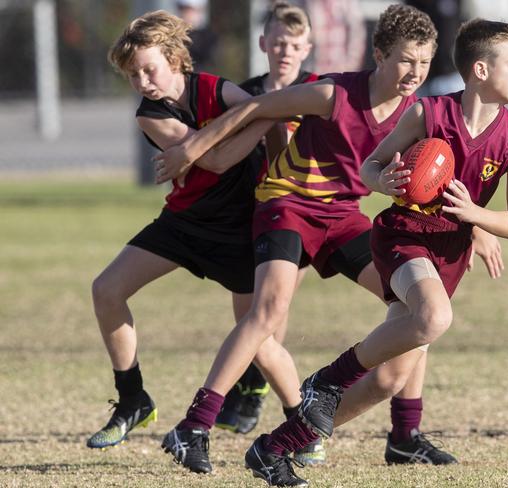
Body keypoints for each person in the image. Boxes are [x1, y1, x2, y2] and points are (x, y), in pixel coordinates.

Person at [153, 5, 462, 482]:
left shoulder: (413, 113)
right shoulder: (334, 92)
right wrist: (190, 151)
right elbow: (256, 106)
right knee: (269, 313)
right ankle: (194, 426)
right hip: (288, 205)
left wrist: (475, 230)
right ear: (379, 54)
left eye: (423, 62)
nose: (415, 72)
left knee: (417, 304)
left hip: (343, 217)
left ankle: (404, 436)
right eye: (405, 60)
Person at [243, 17, 508, 486]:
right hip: (403, 236)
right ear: (480, 70)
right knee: (435, 318)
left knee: (387, 380)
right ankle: (327, 380)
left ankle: (275, 447)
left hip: (449, 252)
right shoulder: (428, 115)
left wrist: (476, 216)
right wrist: (388, 180)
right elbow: (370, 168)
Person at [86, 11, 300, 463]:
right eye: (132, 75)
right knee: (106, 289)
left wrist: (265, 133)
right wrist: (257, 117)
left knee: (257, 340)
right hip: (185, 224)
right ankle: (132, 399)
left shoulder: (215, 88)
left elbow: (277, 120)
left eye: (149, 69)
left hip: (241, 227)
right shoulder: (150, 115)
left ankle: (302, 422)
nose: (143, 81)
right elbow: (218, 159)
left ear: (174, 58)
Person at [213, 2, 324, 466]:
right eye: (277, 42)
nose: (284, 51)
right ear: (263, 44)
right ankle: (268, 392)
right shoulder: (246, 94)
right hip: (250, 216)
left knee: (267, 316)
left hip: (298, 216)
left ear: (307, 49)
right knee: (262, 320)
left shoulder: (318, 92)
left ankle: (274, 402)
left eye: (294, 45)